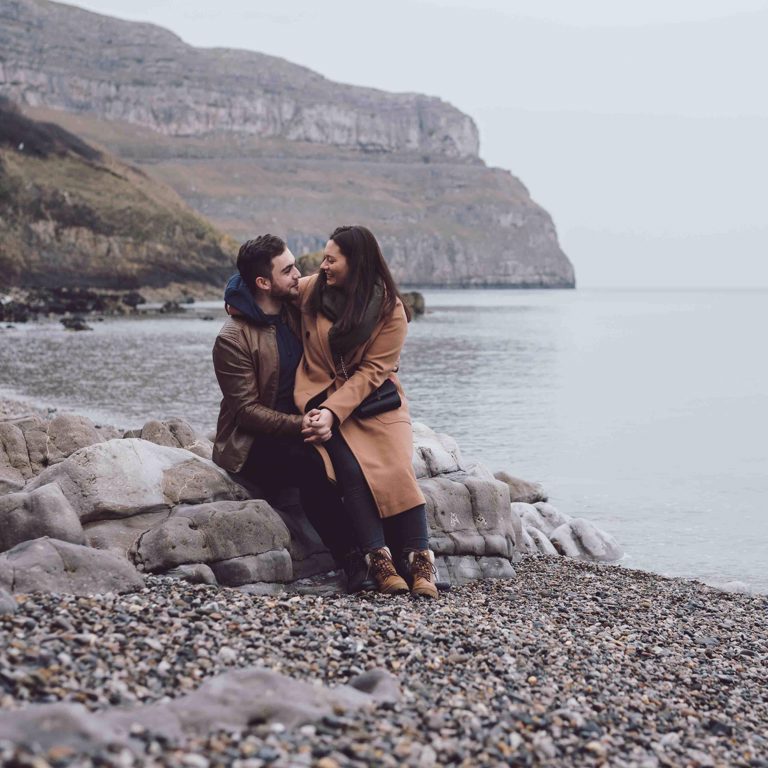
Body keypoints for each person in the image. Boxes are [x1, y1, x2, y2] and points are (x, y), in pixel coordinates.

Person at [211, 234, 372, 591]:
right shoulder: (232, 338)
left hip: (307, 422)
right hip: (254, 444)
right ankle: (353, 561)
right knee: (309, 463)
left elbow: (356, 303)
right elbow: (246, 412)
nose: (299, 274)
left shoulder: (293, 311)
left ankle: (389, 552)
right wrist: (304, 425)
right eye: (288, 270)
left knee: (358, 455)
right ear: (263, 283)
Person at [297, 225, 438, 598]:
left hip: (375, 401)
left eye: (331, 259)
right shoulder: (313, 290)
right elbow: (274, 286)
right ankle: (379, 559)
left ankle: (420, 560)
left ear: (355, 263)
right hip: (324, 396)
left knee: (395, 465)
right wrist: (237, 300)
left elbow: (373, 372)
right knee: (347, 465)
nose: (323, 265)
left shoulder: (391, 310)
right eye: (323, 258)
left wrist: (333, 412)